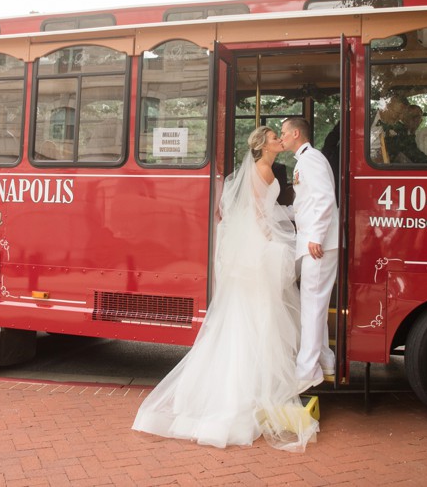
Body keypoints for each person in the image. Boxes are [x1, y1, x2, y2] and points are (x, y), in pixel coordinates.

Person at [133, 126, 317, 451]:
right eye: (275, 138)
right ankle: (247, 395)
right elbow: (259, 213)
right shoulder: (261, 169)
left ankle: (256, 389)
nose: (279, 141)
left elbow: (267, 209)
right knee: (258, 315)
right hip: (258, 247)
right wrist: (272, 240)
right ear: (264, 145)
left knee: (257, 316)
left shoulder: (270, 168)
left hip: (256, 247)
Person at [279, 117, 340, 393]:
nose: (281, 137)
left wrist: (316, 235)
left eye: (283, 133)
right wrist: (275, 213)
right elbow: (305, 205)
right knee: (315, 305)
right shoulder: (305, 159)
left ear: (295, 133)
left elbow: (325, 198)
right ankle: (325, 361)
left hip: (318, 244)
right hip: (314, 241)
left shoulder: (311, 159)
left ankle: (306, 371)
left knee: (312, 306)